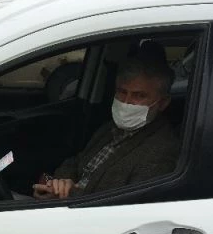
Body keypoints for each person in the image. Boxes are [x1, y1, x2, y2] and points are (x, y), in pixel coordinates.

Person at [33, 58, 179, 200]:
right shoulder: (110, 128)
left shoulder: (162, 151)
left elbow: (125, 203)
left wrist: (68, 194)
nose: (127, 102)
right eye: (122, 92)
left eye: (139, 96)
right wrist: (59, 184)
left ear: (162, 103)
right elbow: (76, 162)